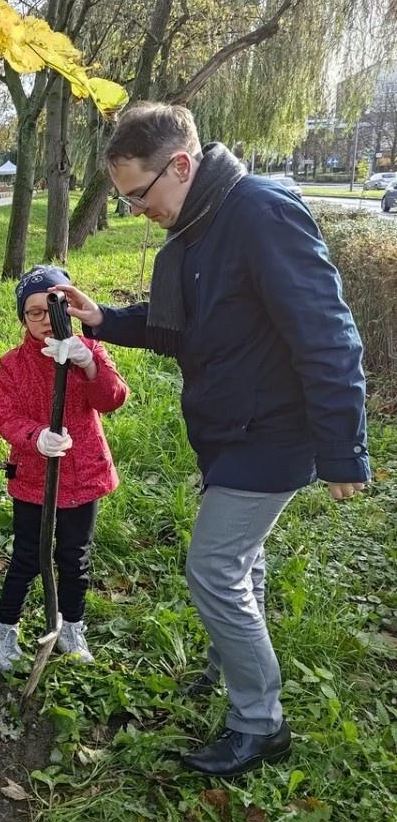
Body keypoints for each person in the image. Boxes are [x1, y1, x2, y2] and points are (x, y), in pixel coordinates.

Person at [53, 103, 370, 776]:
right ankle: (230, 668)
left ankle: (261, 723)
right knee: (241, 561)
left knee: (214, 568)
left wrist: (344, 447)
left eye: (140, 194)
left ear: (182, 166)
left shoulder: (259, 214)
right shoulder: (198, 229)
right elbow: (180, 331)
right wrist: (102, 319)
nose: (138, 210)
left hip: (273, 433)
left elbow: (329, 333)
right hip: (227, 431)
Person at [0, 265, 130, 672]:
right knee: (27, 557)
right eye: (33, 312)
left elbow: (112, 399)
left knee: (74, 557)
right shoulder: (13, 364)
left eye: (54, 307)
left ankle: (71, 626)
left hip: (83, 476)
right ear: (22, 319)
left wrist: (88, 364)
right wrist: (36, 437)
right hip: (33, 479)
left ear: (69, 308)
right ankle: (4, 631)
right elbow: (5, 417)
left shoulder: (91, 349)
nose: (46, 320)